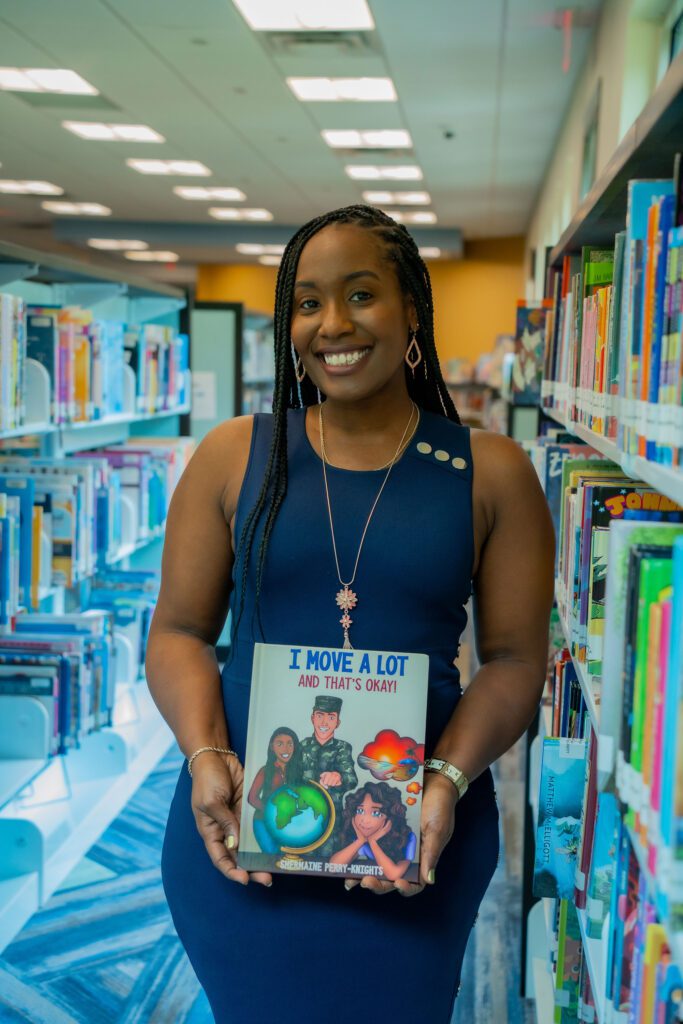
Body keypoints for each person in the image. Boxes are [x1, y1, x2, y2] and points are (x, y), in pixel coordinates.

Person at [149, 204, 554, 1024]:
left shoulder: (490, 473)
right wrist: (202, 756)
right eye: (305, 302)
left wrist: (443, 780)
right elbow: (178, 633)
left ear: (411, 308)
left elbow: (513, 660)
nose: (331, 323)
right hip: (242, 820)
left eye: (360, 295)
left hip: (417, 834)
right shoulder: (236, 455)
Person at [330, 781, 417, 882]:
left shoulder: (407, 839)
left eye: (375, 813)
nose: (364, 820)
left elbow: (393, 874)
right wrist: (360, 841)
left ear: (390, 818)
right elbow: (333, 867)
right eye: (360, 811)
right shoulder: (362, 840)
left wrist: (373, 842)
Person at [247, 726, 303, 853]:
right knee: (271, 854)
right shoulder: (265, 771)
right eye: (280, 744)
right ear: (272, 747)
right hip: (263, 821)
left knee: (285, 857)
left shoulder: (297, 772)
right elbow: (252, 798)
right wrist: (271, 812)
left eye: (290, 744)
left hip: (286, 824)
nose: (286, 749)